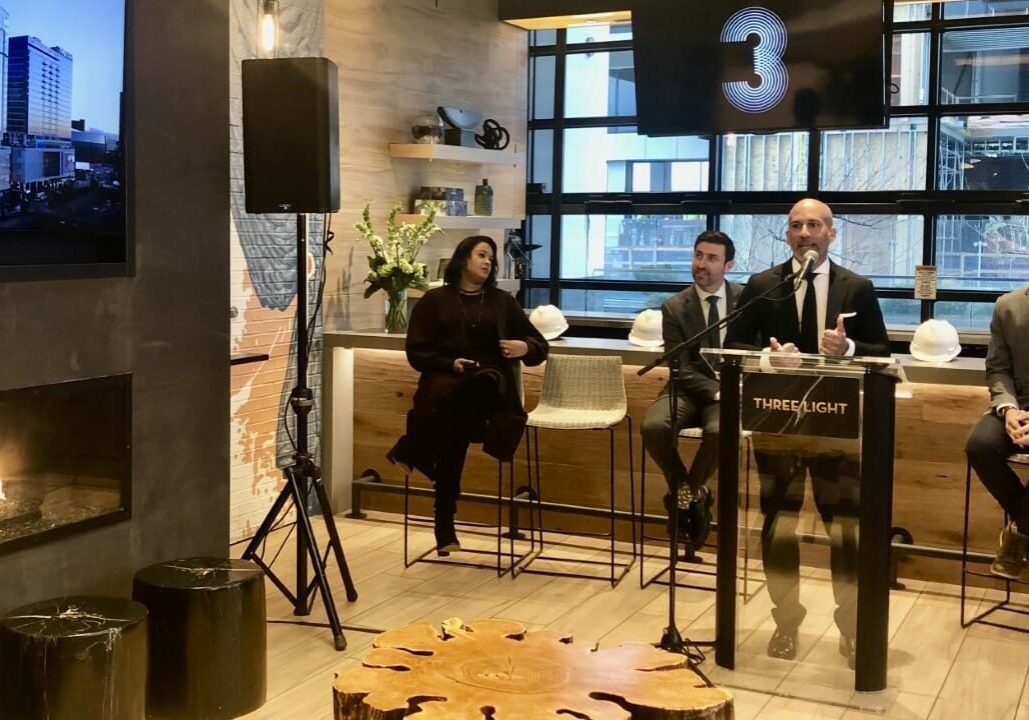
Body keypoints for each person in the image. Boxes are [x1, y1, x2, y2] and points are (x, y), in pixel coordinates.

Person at [725, 198, 890, 668]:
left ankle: (853, 628)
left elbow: (882, 348)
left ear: (831, 234)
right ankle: (785, 621)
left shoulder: (856, 287)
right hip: (775, 423)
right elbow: (734, 345)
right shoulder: (762, 285)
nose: (804, 233)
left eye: (814, 225)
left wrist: (849, 347)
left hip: (836, 428)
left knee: (846, 531)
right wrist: (766, 359)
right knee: (778, 526)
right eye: (796, 225)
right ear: (786, 235)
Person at [387, 235, 549, 555]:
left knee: (485, 381)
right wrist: (452, 364)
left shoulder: (503, 302)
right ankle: (444, 529)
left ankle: (413, 450)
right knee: (453, 434)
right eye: (481, 255)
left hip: (489, 394)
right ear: (463, 259)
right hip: (445, 388)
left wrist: (524, 347)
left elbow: (540, 346)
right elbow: (416, 354)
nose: (488, 262)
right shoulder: (434, 301)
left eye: (491, 258)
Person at [641, 230, 741, 553]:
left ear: (728, 265)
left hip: (729, 390)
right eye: (698, 255)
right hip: (686, 388)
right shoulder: (674, 307)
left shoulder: (746, 299)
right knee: (653, 426)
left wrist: (728, 390)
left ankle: (684, 498)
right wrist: (714, 392)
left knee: (719, 430)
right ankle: (692, 493)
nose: (702, 264)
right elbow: (679, 367)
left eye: (711, 258)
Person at [965, 286, 1029, 579]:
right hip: (1017, 405)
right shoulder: (1008, 306)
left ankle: (1018, 536)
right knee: (980, 444)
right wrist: (1009, 410)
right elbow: (997, 368)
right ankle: (1024, 524)